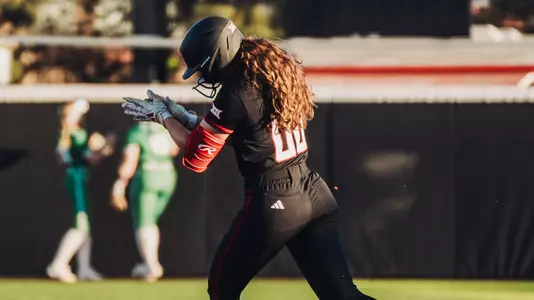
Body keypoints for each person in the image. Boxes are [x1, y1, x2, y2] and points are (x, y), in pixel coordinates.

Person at [121, 16, 376, 300]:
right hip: (314, 192)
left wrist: (164, 116)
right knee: (342, 295)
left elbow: (196, 158)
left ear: (217, 57)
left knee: (222, 289)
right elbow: (245, 134)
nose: (202, 77)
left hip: (276, 199)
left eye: (202, 68)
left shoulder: (236, 92)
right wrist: (184, 117)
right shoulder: (273, 75)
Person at [47, 98, 116, 283]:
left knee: (85, 226)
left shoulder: (79, 133)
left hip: (82, 179)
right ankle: (58, 265)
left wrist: (105, 147)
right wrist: (99, 147)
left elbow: (93, 158)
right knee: (81, 225)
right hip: (75, 179)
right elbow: (65, 154)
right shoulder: (68, 133)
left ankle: (84, 268)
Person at [110, 121, 179, 282]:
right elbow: (174, 150)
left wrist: (119, 184)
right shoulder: (165, 130)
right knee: (151, 222)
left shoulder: (137, 132)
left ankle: (152, 265)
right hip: (168, 177)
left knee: (144, 222)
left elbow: (130, 161)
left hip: (148, 175)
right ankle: (147, 263)